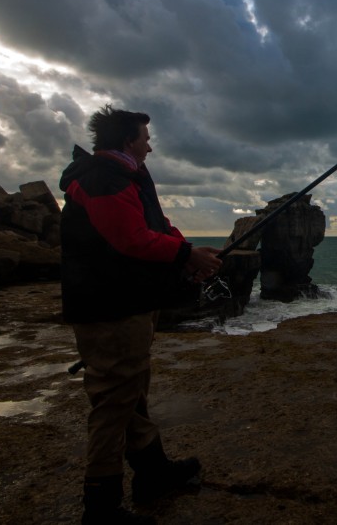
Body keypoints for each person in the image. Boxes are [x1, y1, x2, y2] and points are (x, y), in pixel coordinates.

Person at [60, 105, 223, 524]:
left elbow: (155, 223)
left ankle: (152, 473)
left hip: (126, 302)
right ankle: (100, 506)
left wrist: (189, 254)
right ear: (129, 141)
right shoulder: (102, 178)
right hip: (109, 306)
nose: (150, 146)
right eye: (145, 139)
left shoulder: (124, 173)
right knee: (114, 401)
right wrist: (187, 254)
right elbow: (130, 239)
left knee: (130, 393)